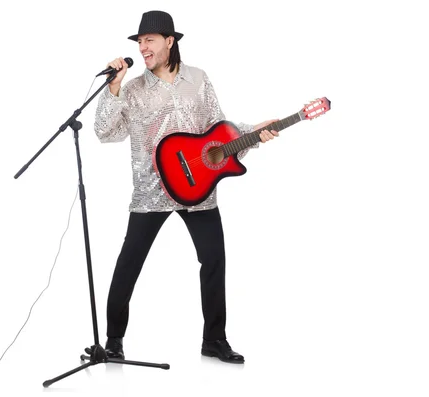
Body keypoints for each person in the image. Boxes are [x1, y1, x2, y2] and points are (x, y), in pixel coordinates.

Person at [93, 10, 278, 364]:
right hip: (151, 192)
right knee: (128, 264)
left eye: (149, 40)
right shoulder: (131, 91)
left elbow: (216, 128)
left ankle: (215, 340)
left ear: (169, 41)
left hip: (199, 191)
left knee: (213, 261)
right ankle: (114, 341)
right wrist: (113, 88)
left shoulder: (198, 79)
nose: (142, 47)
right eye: (139, 42)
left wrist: (254, 132)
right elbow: (105, 132)